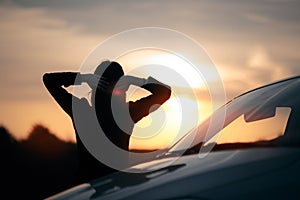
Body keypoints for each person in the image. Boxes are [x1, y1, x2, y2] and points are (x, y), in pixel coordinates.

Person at [43, 60, 171, 183]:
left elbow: (49, 80)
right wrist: (137, 81)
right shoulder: (126, 113)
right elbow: (164, 92)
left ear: (94, 86)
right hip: (117, 185)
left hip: (85, 186)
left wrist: (83, 78)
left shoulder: (81, 110)